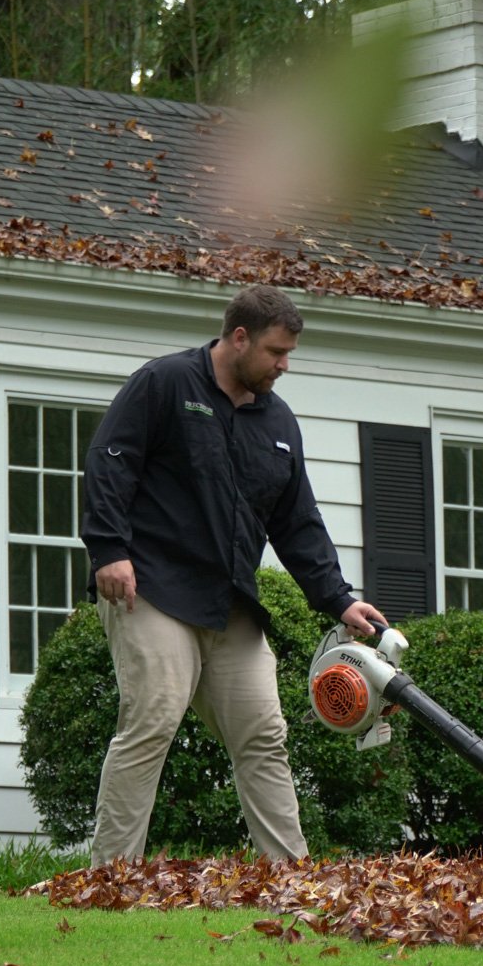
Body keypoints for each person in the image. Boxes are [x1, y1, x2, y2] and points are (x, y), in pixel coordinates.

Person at [80, 284, 385, 867]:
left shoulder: (277, 421)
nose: (284, 365)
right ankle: (111, 879)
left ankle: (290, 879)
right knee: (152, 723)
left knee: (264, 735)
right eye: (276, 351)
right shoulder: (165, 383)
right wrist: (108, 549)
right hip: (154, 590)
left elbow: (298, 521)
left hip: (232, 605)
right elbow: (109, 462)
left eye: (289, 353)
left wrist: (339, 600)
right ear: (238, 337)